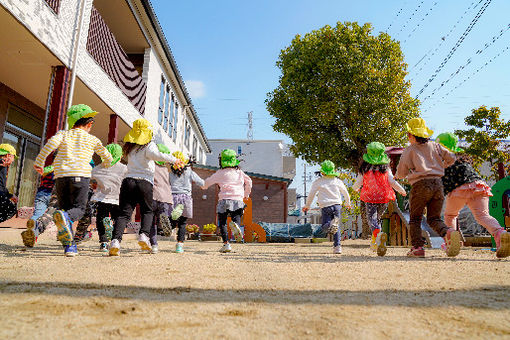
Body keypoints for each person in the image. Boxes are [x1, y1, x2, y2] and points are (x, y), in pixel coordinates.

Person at [33, 104, 113, 256]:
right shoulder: (92, 139)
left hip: (61, 178)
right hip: (80, 178)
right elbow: (106, 155)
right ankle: (66, 220)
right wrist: (107, 164)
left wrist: (39, 162)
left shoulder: (63, 134)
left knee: (64, 211)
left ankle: (69, 247)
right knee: (78, 209)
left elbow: (50, 144)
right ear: (89, 124)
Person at [109, 119, 178, 256]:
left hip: (128, 181)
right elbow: (157, 155)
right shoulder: (148, 145)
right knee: (147, 211)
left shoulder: (130, 147)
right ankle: (144, 236)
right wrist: (174, 159)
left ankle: (115, 241)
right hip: (145, 182)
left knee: (124, 214)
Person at [437, 132, 510, 258]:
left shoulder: (443, 161)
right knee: (483, 216)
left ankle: (451, 239)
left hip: (459, 189)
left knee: (450, 215)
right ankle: (500, 233)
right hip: (479, 187)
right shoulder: (463, 160)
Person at [395, 118, 458, 258]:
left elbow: (401, 172)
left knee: (415, 218)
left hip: (420, 185)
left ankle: (417, 247)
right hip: (437, 184)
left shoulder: (410, 150)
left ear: (411, 135)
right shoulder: (436, 146)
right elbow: (452, 158)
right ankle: (448, 232)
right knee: (434, 219)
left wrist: (398, 177)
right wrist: (441, 167)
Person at [352, 142, 407, 256]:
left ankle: (377, 233)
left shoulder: (364, 168)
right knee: (377, 218)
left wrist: (354, 189)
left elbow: (359, 182)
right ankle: (376, 241)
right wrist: (401, 190)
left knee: (372, 218)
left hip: (370, 196)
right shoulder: (385, 168)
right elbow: (392, 181)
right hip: (383, 197)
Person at [202, 149, 251, 253]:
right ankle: (236, 225)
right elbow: (249, 181)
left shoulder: (220, 173)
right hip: (237, 199)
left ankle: (226, 244)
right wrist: (246, 194)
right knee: (236, 218)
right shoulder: (239, 173)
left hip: (224, 200)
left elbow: (207, 182)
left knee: (222, 223)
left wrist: (203, 186)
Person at [302, 160, 351, 254]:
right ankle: (337, 247)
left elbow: (311, 194)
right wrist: (348, 203)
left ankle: (331, 224)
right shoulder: (338, 181)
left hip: (325, 206)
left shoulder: (319, 181)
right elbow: (345, 192)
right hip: (337, 206)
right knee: (336, 227)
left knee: (325, 226)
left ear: (322, 172)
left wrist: (307, 205)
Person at [85, 143, 126, 252]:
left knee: (100, 219)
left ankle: (103, 243)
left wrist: (95, 183)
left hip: (102, 198)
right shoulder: (124, 169)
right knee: (117, 218)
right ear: (120, 156)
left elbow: (90, 178)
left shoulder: (98, 168)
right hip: (117, 199)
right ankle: (114, 240)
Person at [168, 151, 204, 253]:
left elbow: (166, 184)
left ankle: (170, 226)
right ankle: (179, 245)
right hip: (185, 198)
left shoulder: (170, 172)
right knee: (183, 223)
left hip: (173, 197)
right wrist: (205, 185)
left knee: (174, 220)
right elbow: (201, 182)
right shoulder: (189, 171)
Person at [149, 143, 175, 254]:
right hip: (166, 197)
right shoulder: (166, 169)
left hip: (153, 195)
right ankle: (163, 218)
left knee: (151, 222)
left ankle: (154, 245)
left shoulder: (151, 166)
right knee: (163, 213)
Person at [21, 165, 55, 247]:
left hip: (41, 193)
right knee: (51, 215)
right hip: (53, 195)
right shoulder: (63, 171)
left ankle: (32, 225)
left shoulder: (46, 169)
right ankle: (34, 231)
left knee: (37, 214)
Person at [0, 143, 18, 223]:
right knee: (11, 208)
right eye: (13, 157)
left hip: (1, 193)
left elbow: (1, 185)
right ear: (8, 155)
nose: (13, 161)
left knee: (11, 208)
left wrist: (10, 195)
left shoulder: (4, 166)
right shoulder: (2, 163)